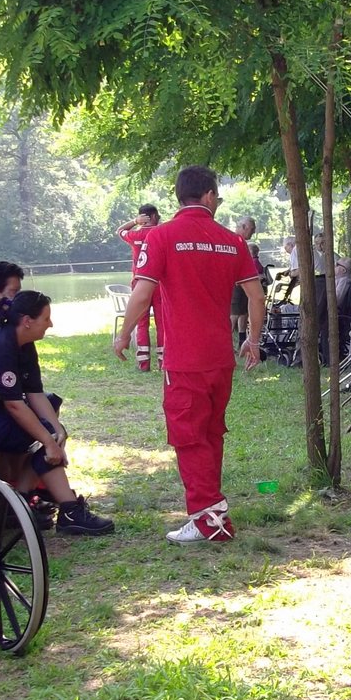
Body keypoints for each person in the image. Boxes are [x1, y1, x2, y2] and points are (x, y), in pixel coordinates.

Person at [114, 165, 265, 544]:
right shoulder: (233, 242)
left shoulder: (161, 236)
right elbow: (256, 297)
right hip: (221, 357)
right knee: (212, 433)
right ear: (210, 196)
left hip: (184, 359)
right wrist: (254, 341)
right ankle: (213, 508)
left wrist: (124, 332)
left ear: (181, 196)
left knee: (189, 436)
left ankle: (208, 521)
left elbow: (142, 293)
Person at [0, 291, 115, 536]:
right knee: (46, 439)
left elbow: (35, 393)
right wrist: (49, 440)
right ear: (27, 321)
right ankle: (61, 509)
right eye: (46, 318)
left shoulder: (22, 343)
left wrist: (58, 431)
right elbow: (14, 406)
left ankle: (19, 502)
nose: (50, 324)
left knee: (51, 431)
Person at [118, 204, 162, 370]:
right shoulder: (160, 233)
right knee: (162, 322)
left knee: (141, 322)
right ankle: (162, 361)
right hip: (158, 283)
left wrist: (134, 221)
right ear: (154, 217)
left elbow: (119, 231)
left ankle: (143, 363)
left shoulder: (134, 234)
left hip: (139, 282)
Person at [231, 216, 263, 346]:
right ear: (243, 227)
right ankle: (226, 343)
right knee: (234, 314)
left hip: (244, 285)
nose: (254, 232)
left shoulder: (242, 243)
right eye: (252, 229)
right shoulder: (233, 241)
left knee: (243, 313)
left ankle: (242, 341)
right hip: (236, 285)